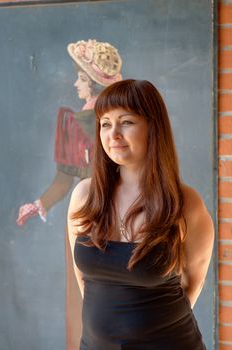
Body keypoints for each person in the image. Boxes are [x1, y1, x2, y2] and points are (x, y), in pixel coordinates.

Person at [67, 79, 214, 350]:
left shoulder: (185, 203)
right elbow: (83, 280)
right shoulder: (84, 197)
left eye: (127, 122)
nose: (114, 135)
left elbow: (194, 282)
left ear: (153, 127)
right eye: (105, 124)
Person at [16, 39, 123, 349]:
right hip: (85, 218)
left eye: (80, 78)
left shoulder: (109, 124)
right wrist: (39, 204)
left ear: (92, 83)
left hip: (112, 218)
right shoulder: (75, 121)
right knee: (84, 296)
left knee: (112, 294)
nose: (76, 83)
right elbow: (65, 179)